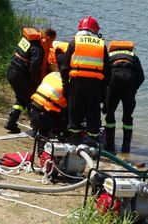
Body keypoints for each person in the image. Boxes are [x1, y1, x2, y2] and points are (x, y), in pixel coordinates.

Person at [59, 16, 110, 144]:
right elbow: (108, 72)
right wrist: (104, 92)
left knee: (75, 113)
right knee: (93, 113)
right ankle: (92, 144)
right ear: (95, 30)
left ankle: (74, 143)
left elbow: (64, 67)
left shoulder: (74, 42)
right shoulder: (101, 45)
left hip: (76, 83)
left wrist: (66, 85)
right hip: (95, 85)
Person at [4, 27, 56, 134]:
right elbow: (34, 69)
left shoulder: (29, 40)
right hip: (20, 75)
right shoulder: (38, 49)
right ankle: (36, 128)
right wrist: (38, 85)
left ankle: (11, 122)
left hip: (11, 72)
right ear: (47, 38)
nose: (51, 45)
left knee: (21, 98)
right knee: (32, 101)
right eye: (52, 41)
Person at [104, 40, 144, 153]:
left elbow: (104, 75)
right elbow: (141, 77)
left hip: (114, 80)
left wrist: (105, 95)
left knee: (110, 114)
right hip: (130, 81)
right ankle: (126, 149)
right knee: (127, 117)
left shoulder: (109, 55)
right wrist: (133, 90)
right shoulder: (134, 56)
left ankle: (110, 148)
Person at [28, 71, 68, 139]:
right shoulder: (69, 82)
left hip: (32, 109)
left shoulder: (53, 74)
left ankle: (35, 129)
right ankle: (59, 133)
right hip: (47, 116)